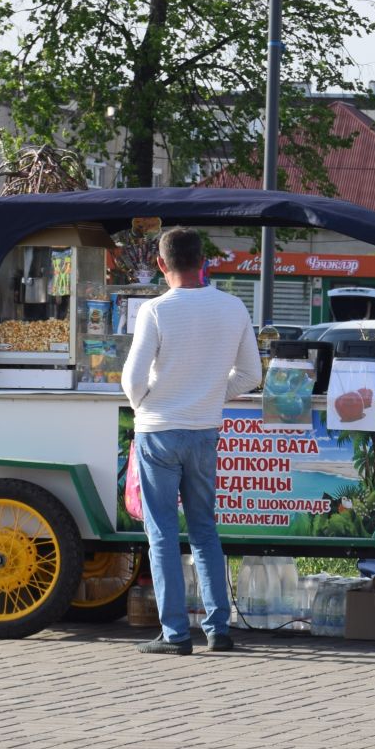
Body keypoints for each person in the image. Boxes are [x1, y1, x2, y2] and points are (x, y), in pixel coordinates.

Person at [121, 227, 261, 655]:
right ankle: (219, 629)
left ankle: (175, 634)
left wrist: (150, 403)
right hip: (204, 431)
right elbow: (252, 375)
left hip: (158, 432)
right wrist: (208, 395)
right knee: (204, 530)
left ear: (162, 265)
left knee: (161, 533)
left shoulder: (156, 310)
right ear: (205, 261)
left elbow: (132, 379)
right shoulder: (233, 307)